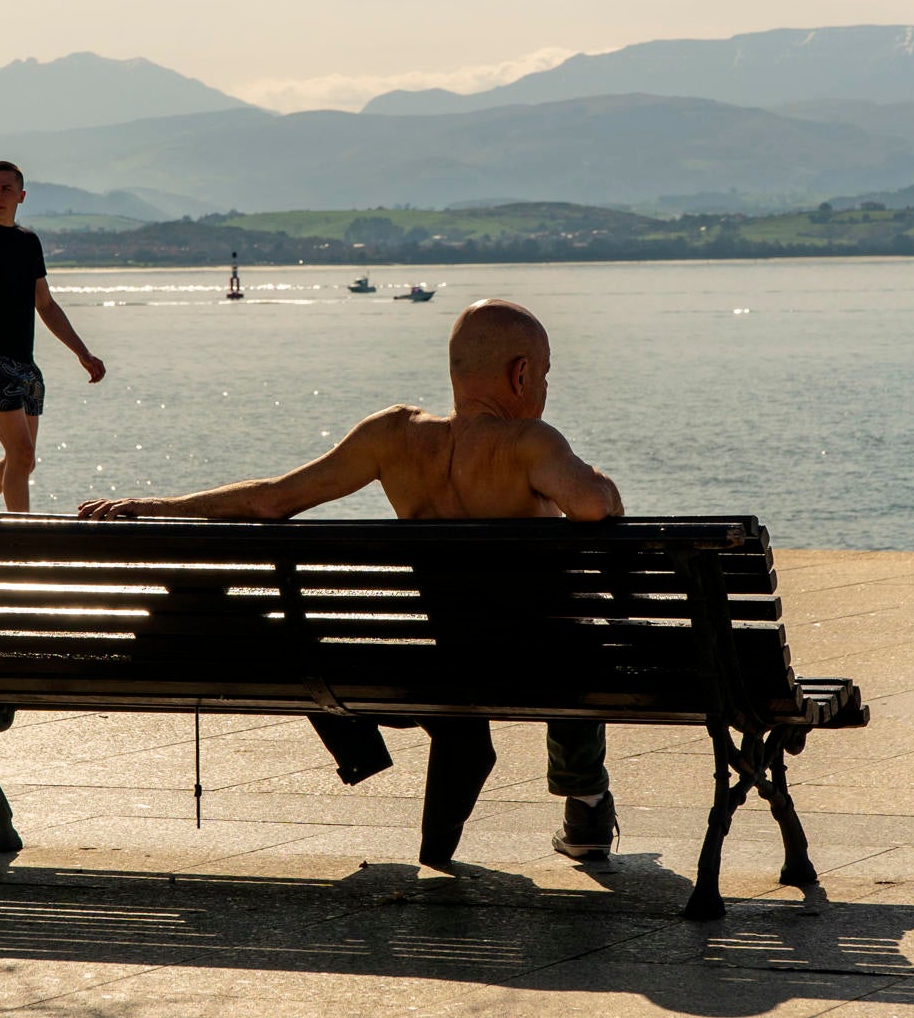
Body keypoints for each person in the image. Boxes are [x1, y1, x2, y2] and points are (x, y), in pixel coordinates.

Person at [79, 299, 624, 867]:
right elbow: (590, 504)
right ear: (521, 373)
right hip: (540, 668)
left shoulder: (392, 436)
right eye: (545, 372)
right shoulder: (530, 443)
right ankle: (584, 802)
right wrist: (604, 483)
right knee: (578, 637)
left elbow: (271, 501)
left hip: (444, 661)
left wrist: (158, 507)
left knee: (555, 639)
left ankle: (467, 827)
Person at [0, 161, 106, 512]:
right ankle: (22, 539)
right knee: (20, 453)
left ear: (21, 195)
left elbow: (46, 304)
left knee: (22, 460)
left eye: (6, 189)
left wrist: (82, 352)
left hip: (25, 363)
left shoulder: (28, 242)